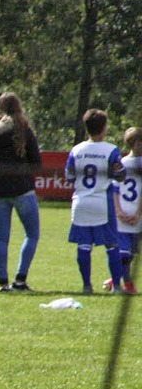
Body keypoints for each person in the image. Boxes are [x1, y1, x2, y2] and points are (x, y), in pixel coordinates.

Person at [0, 92, 42, 293]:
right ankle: (20, 279)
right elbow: (36, 163)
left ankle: (3, 282)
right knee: (32, 234)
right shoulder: (24, 131)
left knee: (1, 237)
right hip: (22, 189)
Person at [65, 108, 126, 294]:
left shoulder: (76, 150)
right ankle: (116, 286)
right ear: (104, 128)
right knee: (112, 244)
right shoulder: (111, 150)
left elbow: (69, 176)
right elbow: (120, 175)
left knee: (84, 246)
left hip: (81, 202)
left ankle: (86, 286)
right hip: (102, 202)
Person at [103, 126, 142, 294]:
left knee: (131, 251)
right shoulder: (124, 163)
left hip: (135, 214)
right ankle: (127, 283)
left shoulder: (124, 163)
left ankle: (115, 279)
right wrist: (118, 211)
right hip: (125, 214)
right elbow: (115, 189)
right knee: (124, 251)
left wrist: (137, 213)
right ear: (133, 143)